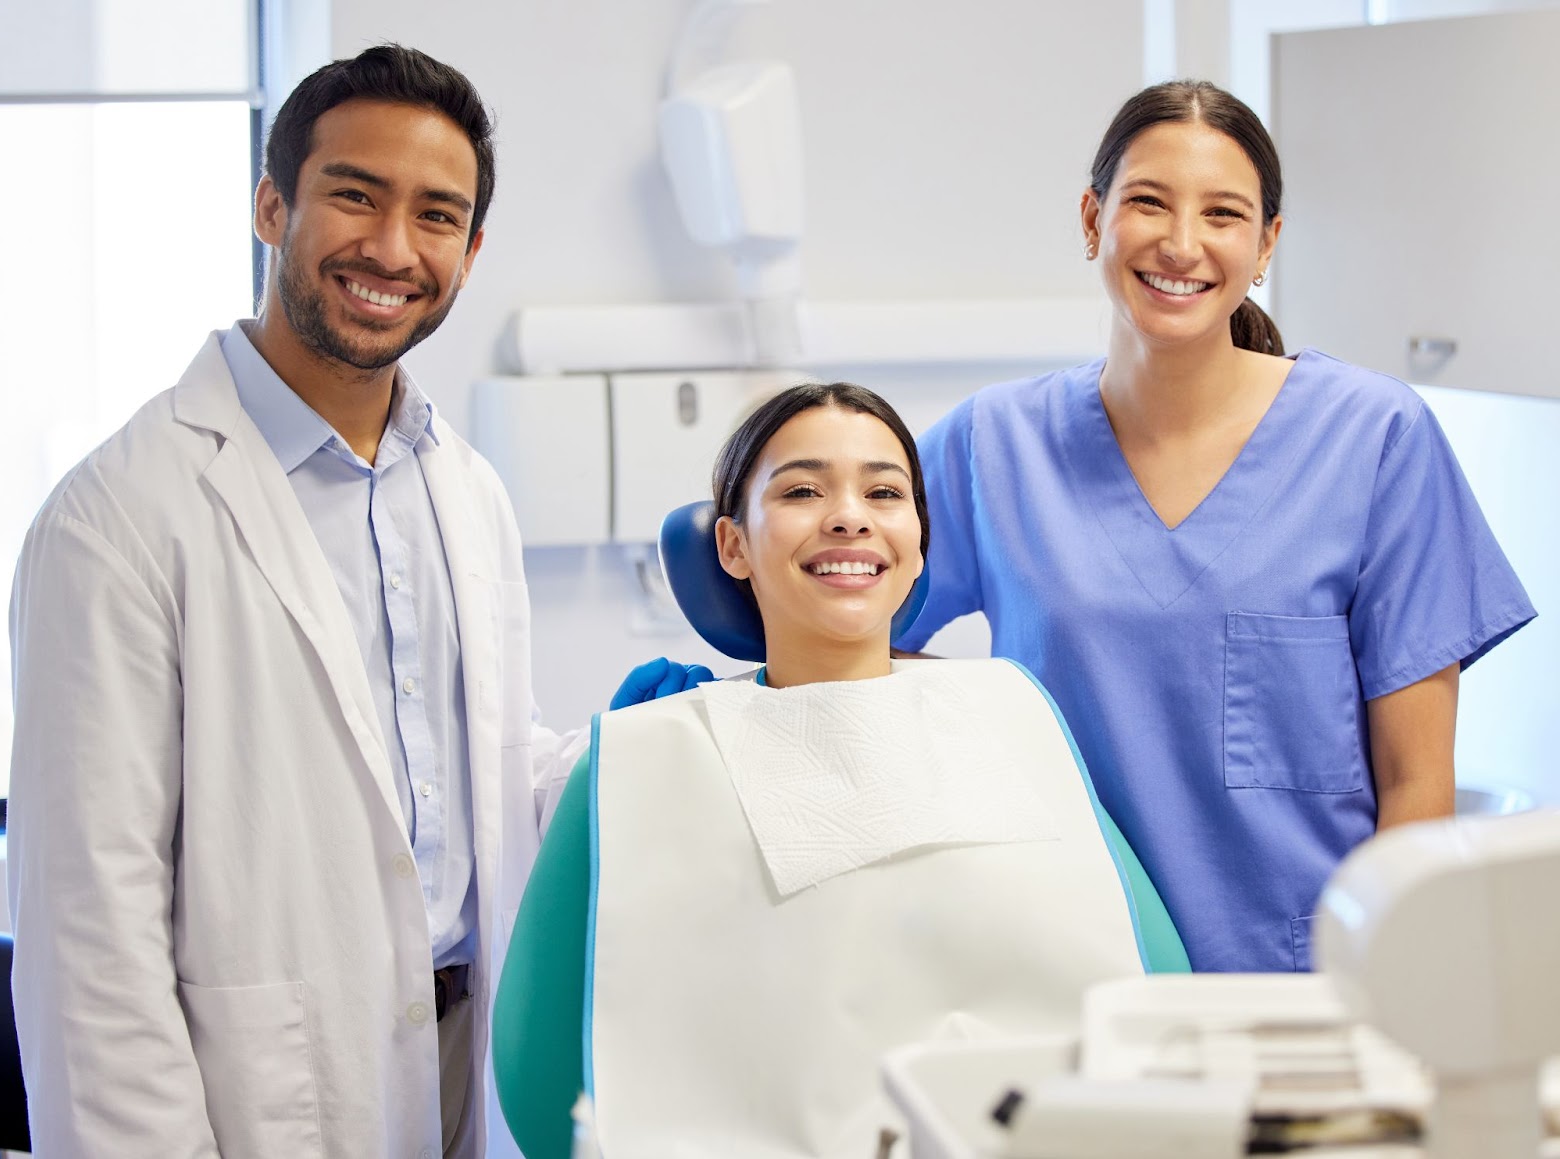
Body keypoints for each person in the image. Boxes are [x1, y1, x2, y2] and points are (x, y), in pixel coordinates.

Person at [5, 44, 668, 1158]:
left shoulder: (461, 486)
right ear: (273, 205)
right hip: (257, 1100)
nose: (393, 249)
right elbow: (90, 939)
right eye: (355, 196)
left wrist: (660, 748)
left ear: (472, 247)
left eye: (437, 215)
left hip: (468, 1060)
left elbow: (474, 779)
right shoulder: (119, 516)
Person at [898, 80, 1536, 975]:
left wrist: (1393, 997)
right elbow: (854, 644)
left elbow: (1416, 783)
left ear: (1266, 242)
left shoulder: (1375, 439)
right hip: (1065, 974)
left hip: (1306, 987)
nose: (1182, 243)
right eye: (1148, 202)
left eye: (1224, 214)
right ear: (1093, 219)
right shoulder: (990, 444)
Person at [492, 383, 1189, 1159]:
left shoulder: (1011, 715)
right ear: (732, 545)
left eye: (884, 490)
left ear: (919, 540)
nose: (850, 514)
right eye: (801, 489)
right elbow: (545, 1075)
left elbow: (1144, 974)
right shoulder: (645, 758)